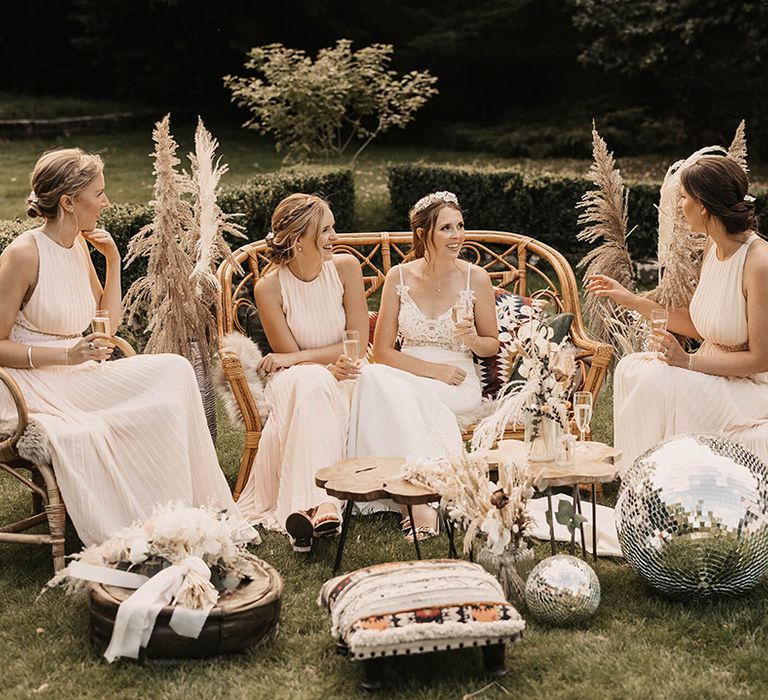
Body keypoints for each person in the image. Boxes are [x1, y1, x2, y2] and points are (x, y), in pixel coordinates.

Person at [0, 148, 255, 546]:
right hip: (29, 383)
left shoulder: (81, 246)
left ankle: (182, 509)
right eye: (98, 194)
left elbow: (108, 323)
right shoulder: (23, 254)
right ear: (68, 202)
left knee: (174, 368)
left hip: (78, 370)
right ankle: (136, 523)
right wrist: (66, 355)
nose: (106, 202)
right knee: (98, 427)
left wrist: (114, 260)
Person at [586, 155, 768, 473]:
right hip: (713, 374)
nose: (680, 205)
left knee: (656, 377)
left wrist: (687, 362)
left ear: (703, 206)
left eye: (684, 197)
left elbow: (760, 360)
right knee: (632, 367)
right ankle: (641, 473)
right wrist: (629, 299)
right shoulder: (713, 246)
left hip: (748, 390)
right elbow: (701, 324)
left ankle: (650, 477)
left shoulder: (758, 263)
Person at [349, 190, 500, 538]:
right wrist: (432, 370)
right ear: (423, 234)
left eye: (460, 226)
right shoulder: (398, 277)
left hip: (457, 380)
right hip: (409, 372)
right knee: (372, 375)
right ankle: (416, 501)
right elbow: (383, 352)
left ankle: (414, 497)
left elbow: (490, 346)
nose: (457, 236)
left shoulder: (475, 278)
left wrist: (472, 340)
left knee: (383, 388)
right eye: (446, 228)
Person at [235, 193, 369, 552]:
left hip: (342, 369)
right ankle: (323, 502)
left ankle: (305, 514)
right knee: (312, 383)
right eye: (326, 230)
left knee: (322, 384)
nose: (334, 237)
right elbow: (290, 358)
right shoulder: (269, 288)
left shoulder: (345, 268)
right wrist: (314, 363)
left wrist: (315, 361)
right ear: (298, 240)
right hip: (295, 380)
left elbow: (357, 340)